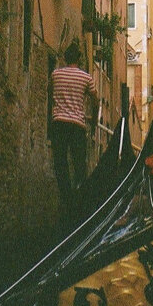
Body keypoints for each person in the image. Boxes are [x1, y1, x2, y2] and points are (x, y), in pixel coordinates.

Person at [48, 40, 97, 224]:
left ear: (65, 58)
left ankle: (67, 198)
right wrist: (93, 120)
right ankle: (79, 202)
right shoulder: (86, 78)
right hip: (77, 125)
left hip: (59, 124)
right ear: (79, 59)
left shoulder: (55, 74)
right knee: (79, 166)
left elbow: (50, 94)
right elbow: (95, 100)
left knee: (60, 163)